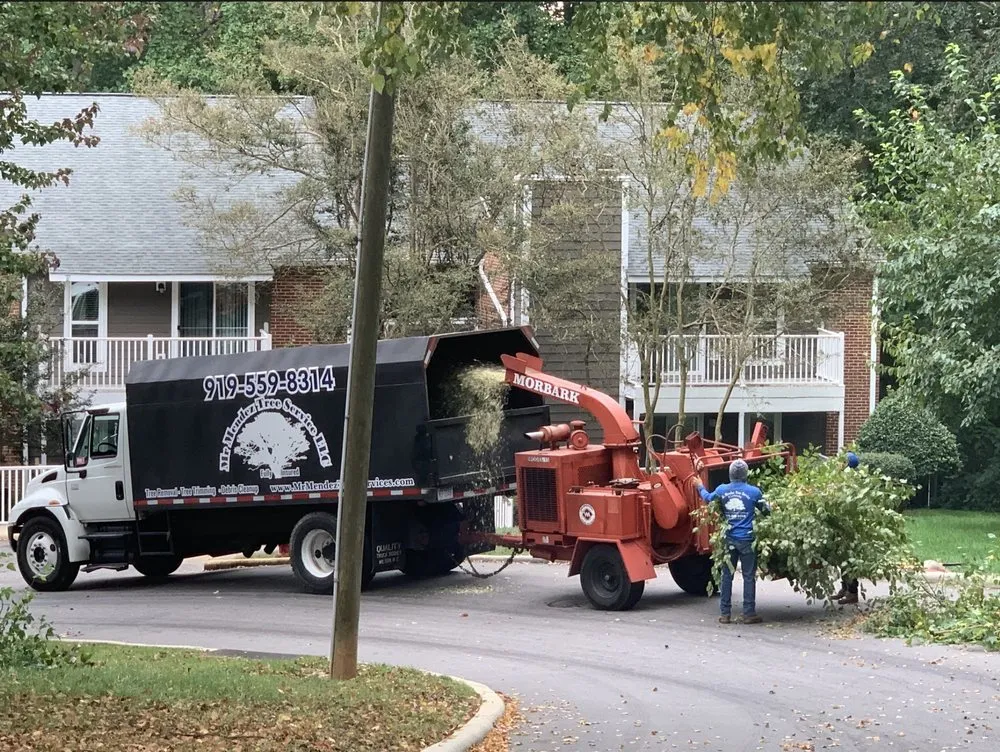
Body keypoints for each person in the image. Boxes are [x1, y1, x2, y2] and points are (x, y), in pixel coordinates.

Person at [693, 458, 770, 625]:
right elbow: (766, 512)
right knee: (749, 576)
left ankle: (725, 614)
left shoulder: (722, 490)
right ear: (746, 474)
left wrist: (699, 485)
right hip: (748, 540)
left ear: (730, 474)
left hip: (729, 540)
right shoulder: (754, 492)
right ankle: (749, 613)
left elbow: (707, 498)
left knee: (727, 575)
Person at [833, 451, 861, 605]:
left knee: (848, 559)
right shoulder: (846, 477)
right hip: (842, 524)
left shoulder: (849, 480)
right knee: (842, 559)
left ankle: (852, 592)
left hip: (848, 527)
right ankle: (844, 588)